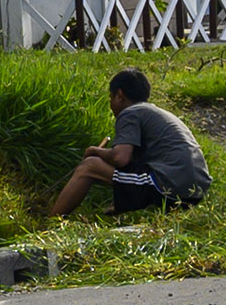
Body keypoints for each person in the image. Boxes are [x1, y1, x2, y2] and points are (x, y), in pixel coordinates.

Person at [51, 68, 214, 219]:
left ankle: (51, 223)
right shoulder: (156, 113)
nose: (111, 104)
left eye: (111, 98)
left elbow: (120, 158)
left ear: (119, 95)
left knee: (90, 166)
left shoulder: (130, 113)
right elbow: (134, 166)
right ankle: (118, 208)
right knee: (128, 173)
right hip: (196, 189)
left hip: (171, 184)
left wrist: (94, 151)